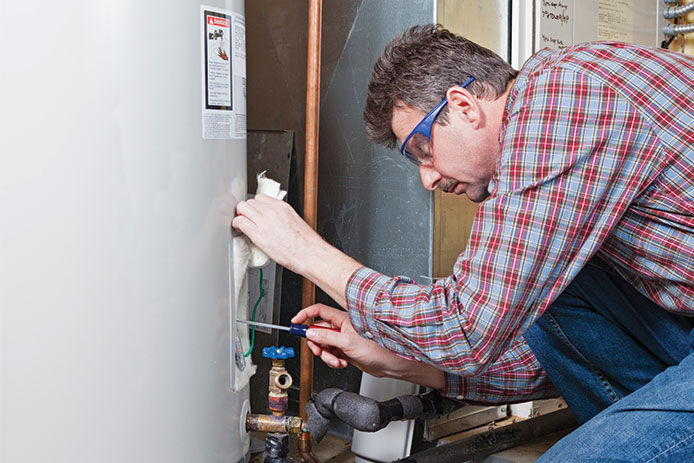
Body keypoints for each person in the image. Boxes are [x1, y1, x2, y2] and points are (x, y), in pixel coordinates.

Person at [233, 25, 694, 460]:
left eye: (420, 150)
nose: (428, 177)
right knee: (533, 290)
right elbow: (552, 357)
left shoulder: (562, 101)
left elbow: (466, 327)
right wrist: (402, 362)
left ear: (464, 106)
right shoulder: (559, 98)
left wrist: (304, 252)